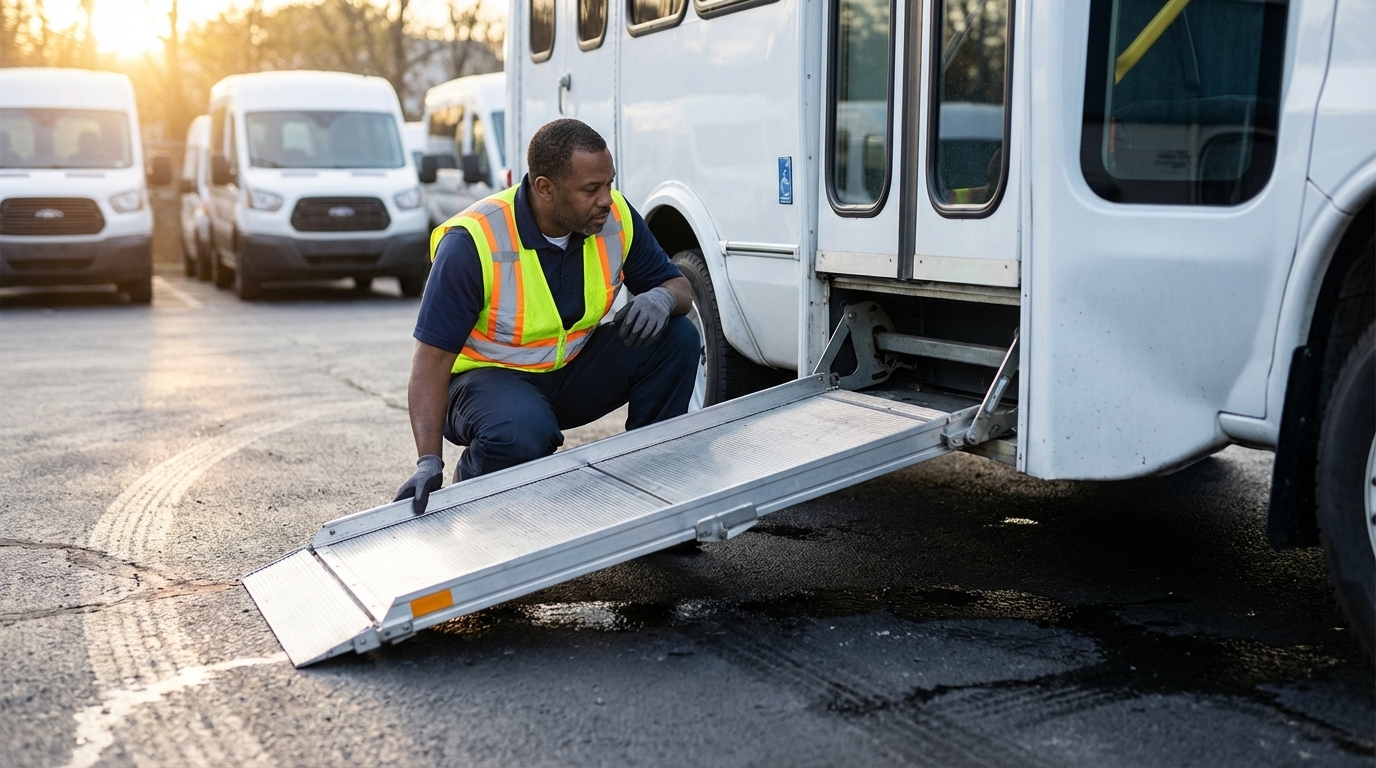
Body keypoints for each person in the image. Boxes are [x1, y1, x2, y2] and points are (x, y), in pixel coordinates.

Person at [394, 118, 699, 513]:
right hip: (484, 385)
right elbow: (430, 362)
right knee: (522, 431)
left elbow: (680, 289)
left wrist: (661, 297)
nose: (607, 199)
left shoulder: (614, 218)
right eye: (592, 189)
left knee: (677, 338)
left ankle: (652, 493)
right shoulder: (473, 241)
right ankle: (474, 503)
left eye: (609, 183)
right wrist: (428, 460)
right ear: (545, 188)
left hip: (567, 373)